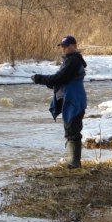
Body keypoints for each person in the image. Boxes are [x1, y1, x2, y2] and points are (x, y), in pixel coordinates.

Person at [31, 35, 88, 169]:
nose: (64, 48)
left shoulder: (73, 60)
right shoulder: (70, 60)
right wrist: (47, 82)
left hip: (73, 99)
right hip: (72, 98)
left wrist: (40, 79)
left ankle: (73, 162)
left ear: (74, 45)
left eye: (67, 45)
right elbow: (61, 80)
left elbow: (59, 78)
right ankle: (72, 160)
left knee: (72, 129)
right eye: (62, 46)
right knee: (70, 128)